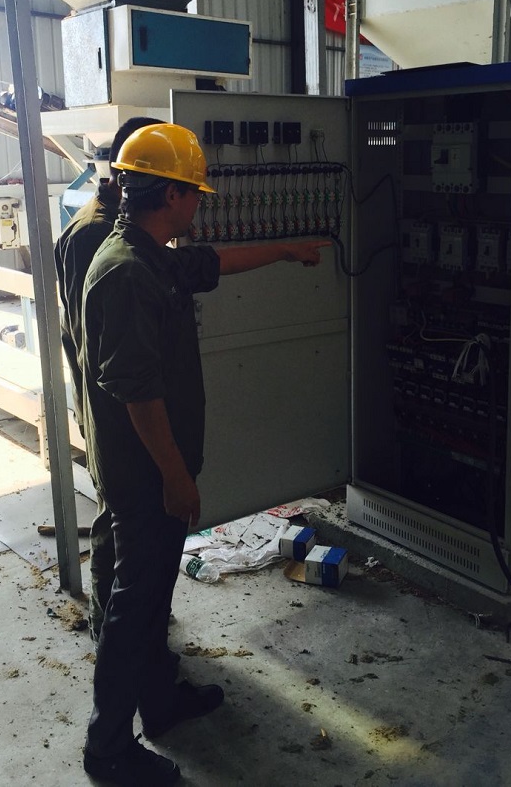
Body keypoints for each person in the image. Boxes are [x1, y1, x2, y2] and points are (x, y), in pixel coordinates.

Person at [81, 122, 330, 785]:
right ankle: (107, 747)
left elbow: (213, 263)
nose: (199, 203)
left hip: (157, 469)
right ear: (172, 195)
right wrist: (175, 478)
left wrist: (286, 250)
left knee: (151, 594)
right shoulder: (127, 272)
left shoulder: (150, 255)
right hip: (144, 475)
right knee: (134, 604)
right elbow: (138, 394)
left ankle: (159, 702)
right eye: (194, 191)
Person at [54, 115, 161, 643]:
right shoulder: (95, 235)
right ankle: (110, 630)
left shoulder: (115, 226)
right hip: (110, 403)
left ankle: (131, 625)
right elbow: (94, 343)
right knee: (116, 518)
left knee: (126, 517)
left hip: (118, 395)